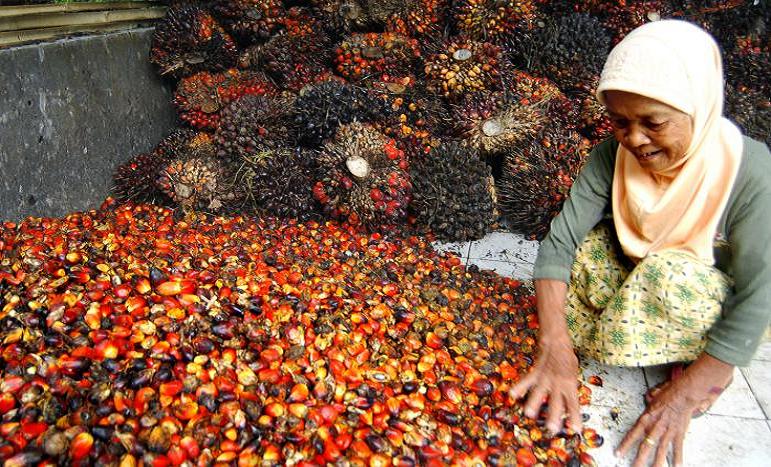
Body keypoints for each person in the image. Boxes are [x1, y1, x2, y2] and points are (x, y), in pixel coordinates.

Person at [509, 19, 771, 467]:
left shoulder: (749, 172)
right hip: (638, 268)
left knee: (667, 277)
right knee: (588, 253)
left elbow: (760, 291)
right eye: (620, 121)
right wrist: (554, 344)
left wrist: (690, 391)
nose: (634, 139)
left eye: (654, 122)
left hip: (697, 291)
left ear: (699, 105)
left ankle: (697, 364)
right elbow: (561, 243)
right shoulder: (611, 156)